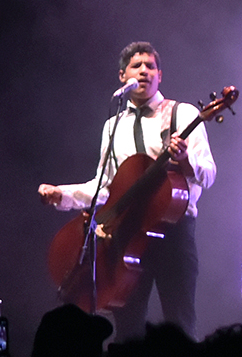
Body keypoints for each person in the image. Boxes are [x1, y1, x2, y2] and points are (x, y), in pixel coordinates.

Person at [40, 41, 217, 339]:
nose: (144, 71)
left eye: (150, 66)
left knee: (180, 322)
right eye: (137, 66)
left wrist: (186, 159)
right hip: (128, 234)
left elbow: (209, 175)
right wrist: (63, 194)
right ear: (123, 76)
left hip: (173, 232)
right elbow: (106, 186)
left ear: (160, 75)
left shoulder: (183, 114)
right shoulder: (113, 125)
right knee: (127, 325)